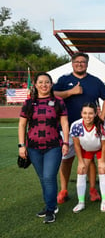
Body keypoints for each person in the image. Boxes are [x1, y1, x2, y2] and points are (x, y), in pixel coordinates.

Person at [54, 52, 105, 204]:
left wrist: (102, 118)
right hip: (67, 128)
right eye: (77, 62)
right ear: (72, 63)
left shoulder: (95, 81)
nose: (80, 64)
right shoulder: (64, 80)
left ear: (87, 64)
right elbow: (52, 94)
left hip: (90, 128)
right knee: (66, 160)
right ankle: (63, 190)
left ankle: (92, 189)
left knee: (89, 159)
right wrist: (70, 92)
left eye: (83, 62)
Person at [18, 72, 69, 223]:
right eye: (41, 82)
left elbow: (65, 123)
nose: (44, 85)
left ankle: (51, 209)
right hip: (33, 147)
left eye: (47, 82)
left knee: (48, 177)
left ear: (51, 84)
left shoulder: (58, 101)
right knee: (43, 178)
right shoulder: (29, 103)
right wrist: (21, 145)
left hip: (53, 146)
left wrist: (66, 142)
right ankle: (49, 204)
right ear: (35, 84)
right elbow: (22, 125)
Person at [71, 102, 105, 213]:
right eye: (84, 113)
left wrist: (102, 161)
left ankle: (104, 200)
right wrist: (80, 161)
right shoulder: (76, 125)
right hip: (86, 149)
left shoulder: (101, 126)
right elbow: (77, 145)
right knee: (81, 169)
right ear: (81, 113)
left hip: (101, 149)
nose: (87, 116)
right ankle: (81, 202)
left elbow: (104, 145)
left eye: (90, 113)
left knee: (102, 169)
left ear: (95, 114)